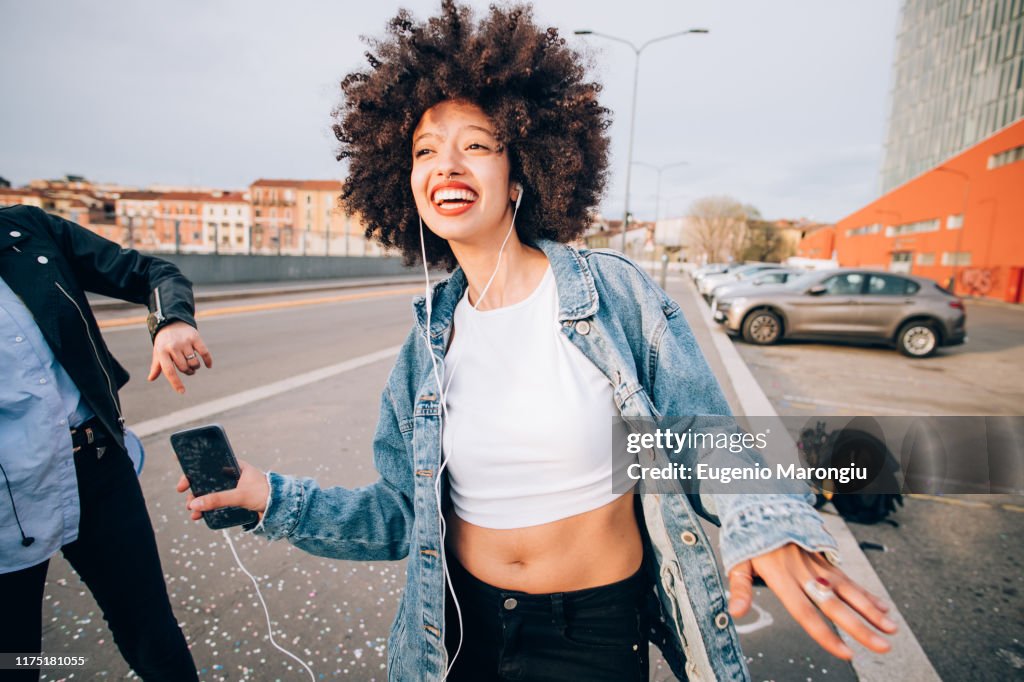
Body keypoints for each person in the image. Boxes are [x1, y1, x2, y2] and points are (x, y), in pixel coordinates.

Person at [178, 3, 897, 680]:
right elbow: (401, 516)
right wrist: (267, 497)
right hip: (455, 629)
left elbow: (703, 438)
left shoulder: (611, 295)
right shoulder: (425, 345)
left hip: (589, 632)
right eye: (425, 150)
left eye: (476, 146)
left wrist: (765, 519)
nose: (446, 165)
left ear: (519, 171)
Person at [0, 204, 211, 681]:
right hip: (7, 499)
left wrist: (170, 320)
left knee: (152, 633)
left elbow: (152, 272)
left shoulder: (25, 228)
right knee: (15, 660)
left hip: (95, 465)